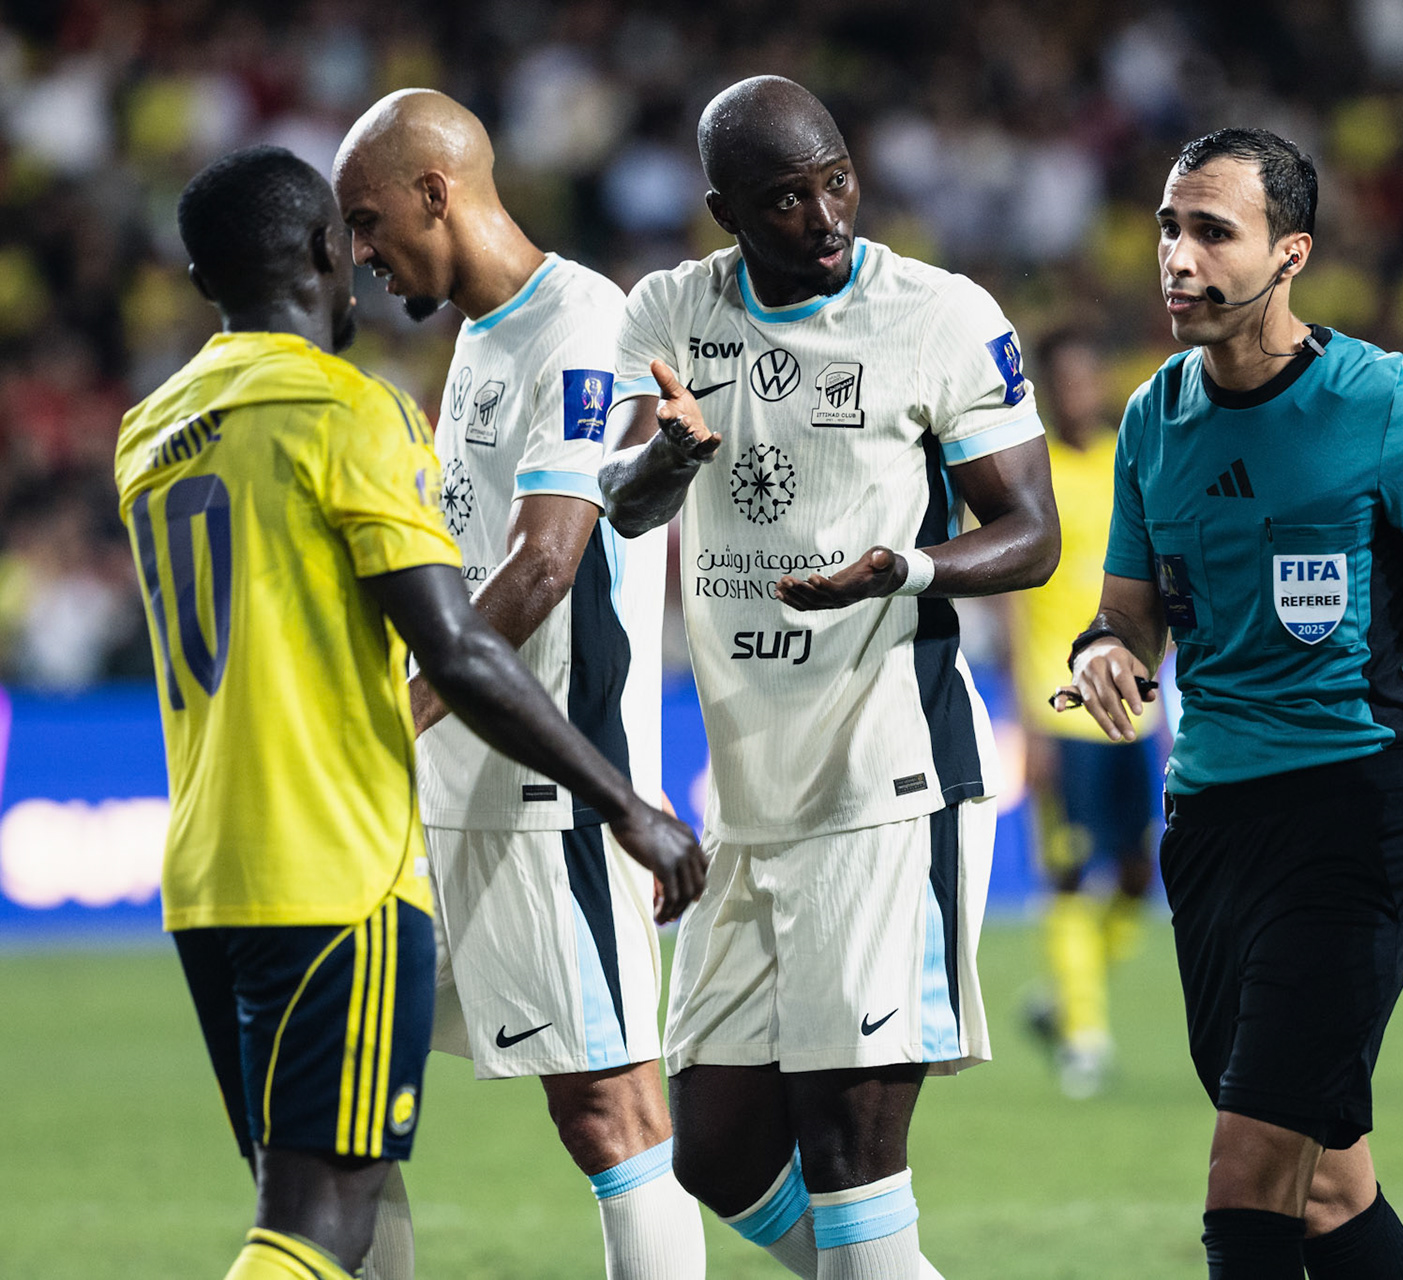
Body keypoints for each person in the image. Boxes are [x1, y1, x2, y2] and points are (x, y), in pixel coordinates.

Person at [113, 144, 702, 1280]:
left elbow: (557, 536)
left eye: (377, 224)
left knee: (331, 1177)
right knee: (318, 1214)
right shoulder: (350, 409)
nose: (367, 258)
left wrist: (647, 471)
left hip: (207, 864)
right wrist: (627, 802)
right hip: (345, 850)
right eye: (354, 236)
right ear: (325, 250)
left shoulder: (148, 430)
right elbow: (469, 630)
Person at [598, 75, 1060, 1280]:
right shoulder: (667, 312)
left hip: (888, 775)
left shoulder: (941, 315)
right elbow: (625, 506)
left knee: (850, 1149)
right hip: (750, 792)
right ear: (724, 210)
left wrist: (900, 571)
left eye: (836, 178)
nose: (825, 213)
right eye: (786, 198)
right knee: (714, 1146)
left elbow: (1032, 532)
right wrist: (669, 460)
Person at [1065, 125, 1403, 1280]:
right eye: (1167, 227)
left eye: (1213, 232)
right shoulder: (1154, 416)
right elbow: (1129, 610)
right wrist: (1108, 649)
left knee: (1247, 1182)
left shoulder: (1391, 408)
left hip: (1351, 818)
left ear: (1289, 252)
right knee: (1329, 1188)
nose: (1178, 258)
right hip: (1208, 826)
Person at [330, 91, 700, 1279]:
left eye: (370, 220)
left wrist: (398, 709)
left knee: (610, 1113)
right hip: (436, 797)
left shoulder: (582, 320)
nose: (362, 253)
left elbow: (545, 562)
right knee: (344, 1099)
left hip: (552, 795)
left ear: (439, 192)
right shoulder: (483, 336)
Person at [1008, 327, 1159, 1100]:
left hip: (1131, 708)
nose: (1076, 392)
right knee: (1070, 874)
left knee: (1138, 871)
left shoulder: (1126, 460)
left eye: (1084, 378)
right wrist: (1024, 722)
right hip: (1057, 707)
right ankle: (1085, 1035)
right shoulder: (1031, 476)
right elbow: (1011, 601)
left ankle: (1066, 995)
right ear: (1044, 388)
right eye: (1061, 381)